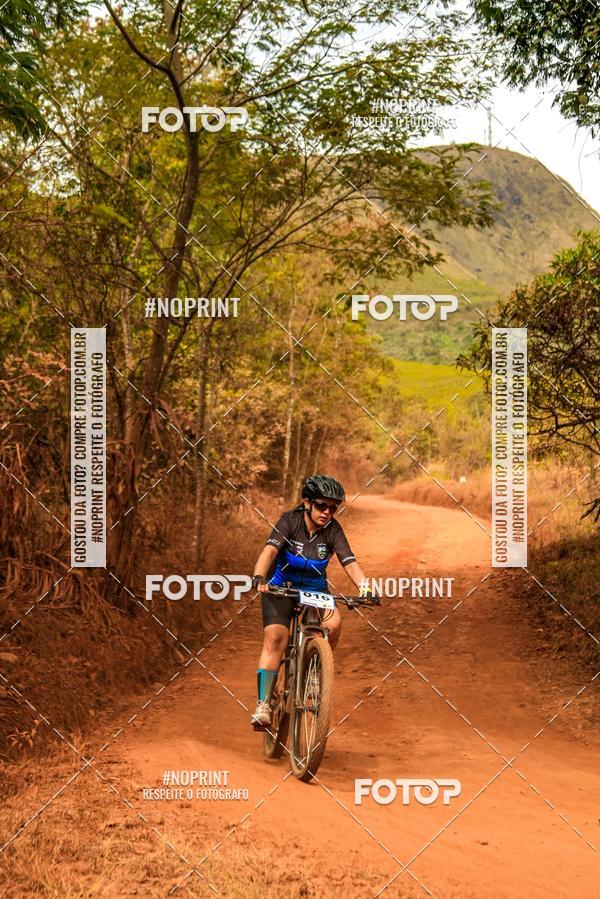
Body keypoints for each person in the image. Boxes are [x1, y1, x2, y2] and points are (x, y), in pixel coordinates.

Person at [251, 475, 371, 727]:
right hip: (280, 587)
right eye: (321, 506)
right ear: (307, 503)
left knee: (334, 623)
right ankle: (263, 703)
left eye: (333, 507)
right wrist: (259, 576)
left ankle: (315, 670)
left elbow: (349, 561)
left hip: (315, 590)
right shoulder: (289, 521)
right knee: (275, 638)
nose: (327, 512)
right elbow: (270, 551)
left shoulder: (333, 529)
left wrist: (365, 587)